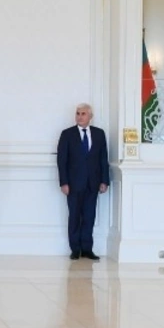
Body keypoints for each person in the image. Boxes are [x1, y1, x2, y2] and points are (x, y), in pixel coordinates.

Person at [56, 103, 110, 261]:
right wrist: (64, 182)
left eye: (83, 114)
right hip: (73, 184)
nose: (79, 116)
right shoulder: (67, 134)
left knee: (89, 216)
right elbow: (62, 160)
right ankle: (75, 249)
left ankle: (87, 248)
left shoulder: (99, 134)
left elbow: (103, 158)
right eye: (78, 113)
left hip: (93, 183)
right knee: (74, 216)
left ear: (90, 116)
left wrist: (104, 180)